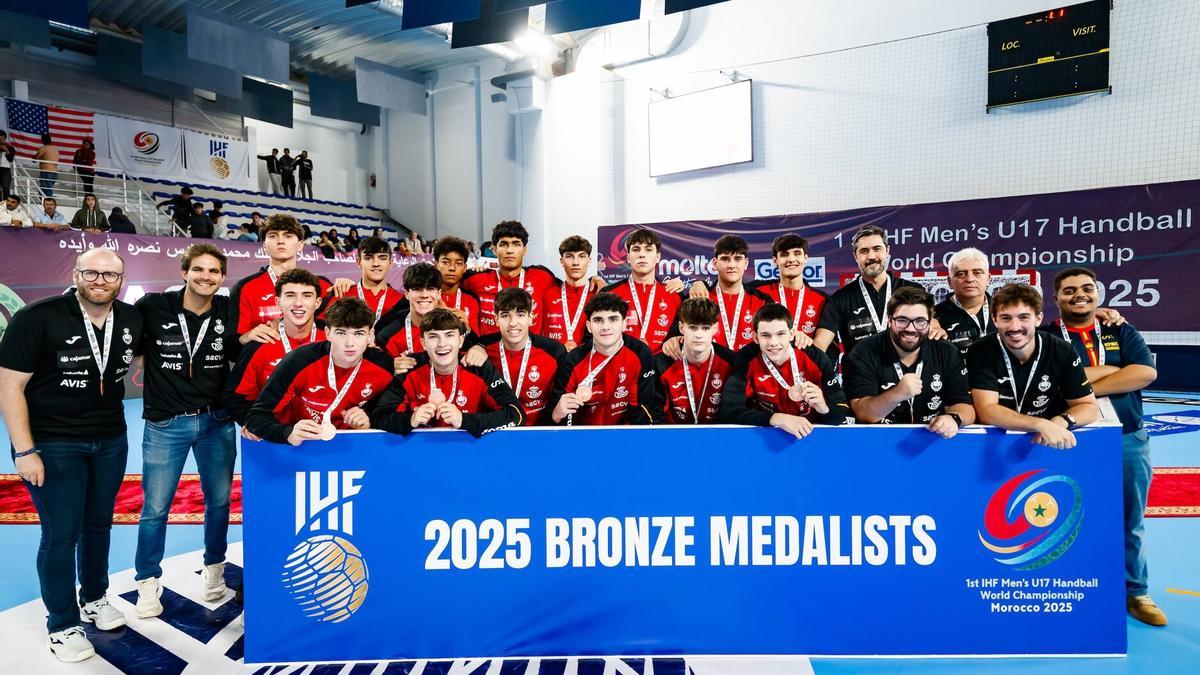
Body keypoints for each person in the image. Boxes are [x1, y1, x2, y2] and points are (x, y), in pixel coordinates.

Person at [0, 248, 141, 662]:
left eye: (110, 275)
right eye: (92, 273)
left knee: (98, 526)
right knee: (61, 534)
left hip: (111, 440)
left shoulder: (131, 318)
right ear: (76, 274)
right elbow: (10, 389)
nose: (100, 281)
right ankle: (62, 624)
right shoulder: (37, 318)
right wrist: (24, 450)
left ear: (121, 279)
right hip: (53, 443)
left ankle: (94, 598)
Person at [1039, 267, 1164, 626]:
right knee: (1062, 517)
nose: (1079, 295)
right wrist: (1113, 369)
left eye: (1087, 288)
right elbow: (1054, 382)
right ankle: (1067, 588)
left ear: (1098, 293)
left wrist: (1082, 387)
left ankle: (1136, 592)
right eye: (1069, 290)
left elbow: (1145, 372)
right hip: (1070, 438)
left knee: (1129, 518)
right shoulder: (1048, 336)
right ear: (1056, 297)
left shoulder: (1120, 329)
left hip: (1126, 437)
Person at [133, 243, 236, 620]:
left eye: (213, 272)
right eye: (199, 270)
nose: (206, 277)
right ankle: (146, 582)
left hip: (216, 423)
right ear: (184, 272)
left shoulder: (229, 310)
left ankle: (214, 571)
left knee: (220, 503)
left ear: (222, 278)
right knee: (155, 508)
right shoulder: (152, 307)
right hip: (165, 423)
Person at [968, 283, 1099, 450]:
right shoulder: (980, 351)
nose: (1015, 327)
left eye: (1024, 317)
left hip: (1047, 441)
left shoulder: (1061, 350)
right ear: (995, 320)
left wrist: (1062, 421)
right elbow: (987, 411)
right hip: (995, 440)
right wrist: (1040, 424)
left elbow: (1089, 407)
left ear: (1038, 318)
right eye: (1006, 318)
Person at [246, 298, 395, 444]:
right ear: (328, 333)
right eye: (341, 333)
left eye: (358, 334)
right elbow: (256, 418)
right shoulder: (299, 360)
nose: (350, 343)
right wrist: (287, 433)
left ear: (370, 335)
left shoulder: (384, 366)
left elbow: (388, 415)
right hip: (301, 448)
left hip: (350, 447)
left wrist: (368, 420)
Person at [842, 286, 975, 435]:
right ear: (889, 320)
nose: (911, 329)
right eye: (902, 320)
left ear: (930, 322)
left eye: (920, 321)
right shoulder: (863, 352)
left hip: (931, 439)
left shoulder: (946, 351)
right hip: (878, 441)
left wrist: (953, 418)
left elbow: (966, 407)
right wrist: (897, 393)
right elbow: (863, 413)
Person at [371, 308, 523, 436]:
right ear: (423, 343)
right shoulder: (410, 368)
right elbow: (379, 416)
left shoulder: (479, 368)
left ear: (461, 341)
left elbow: (516, 414)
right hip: (419, 456)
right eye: (433, 337)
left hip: (470, 456)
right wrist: (410, 420)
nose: (442, 344)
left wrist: (464, 421)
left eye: (449, 335)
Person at [720, 303, 849, 438]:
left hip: (811, 437)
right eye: (765, 335)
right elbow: (729, 411)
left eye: (781, 334)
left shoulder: (815, 358)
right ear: (755, 338)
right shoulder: (746, 358)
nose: (773, 342)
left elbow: (842, 413)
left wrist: (825, 409)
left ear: (792, 334)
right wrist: (777, 419)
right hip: (765, 438)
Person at [814, 226, 944, 356]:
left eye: (877, 249)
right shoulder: (840, 299)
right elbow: (820, 345)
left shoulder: (914, 290)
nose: (871, 256)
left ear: (887, 251)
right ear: (855, 256)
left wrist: (936, 329)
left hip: (906, 372)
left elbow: (932, 325)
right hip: (860, 374)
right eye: (864, 251)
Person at [224, 268, 326, 429]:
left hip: (325, 437)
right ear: (277, 301)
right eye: (290, 295)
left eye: (307, 295)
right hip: (273, 439)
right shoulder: (259, 345)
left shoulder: (333, 341)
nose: (298, 303)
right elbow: (234, 396)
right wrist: (250, 422)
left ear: (318, 302)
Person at [550, 293, 659, 426]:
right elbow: (556, 417)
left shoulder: (640, 353)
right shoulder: (573, 361)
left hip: (625, 437)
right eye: (598, 320)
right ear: (589, 326)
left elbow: (643, 409)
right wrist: (556, 413)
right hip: (582, 438)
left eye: (613, 319)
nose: (605, 327)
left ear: (624, 324)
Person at [663, 235, 771, 357]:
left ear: (746, 263)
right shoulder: (697, 298)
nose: (731, 265)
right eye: (725, 259)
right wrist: (673, 339)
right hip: (709, 371)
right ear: (715, 263)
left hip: (749, 370)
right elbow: (676, 331)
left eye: (737, 259)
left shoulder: (762, 300)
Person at [230, 214, 333, 341]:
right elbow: (232, 346)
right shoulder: (245, 288)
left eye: (288, 236)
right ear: (264, 245)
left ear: (300, 245)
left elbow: (340, 332)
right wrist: (247, 337)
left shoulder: (323, 286)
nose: (280, 241)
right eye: (273, 236)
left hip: (314, 360)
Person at [477, 288, 566, 425]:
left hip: (539, 433)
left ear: (530, 318)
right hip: (496, 433)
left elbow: (557, 400)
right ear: (496, 320)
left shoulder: (554, 352)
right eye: (505, 316)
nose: (513, 323)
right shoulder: (483, 353)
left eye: (520, 315)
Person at [461, 221, 563, 335]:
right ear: (494, 250)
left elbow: (570, 289)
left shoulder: (542, 276)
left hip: (530, 351)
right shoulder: (477, 279)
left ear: (524, 250)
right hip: (490, 351)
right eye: (503, 244)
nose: (509, 250)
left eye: (516, 244)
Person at [655, 298, 737, 424]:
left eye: (705, 328)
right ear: (681, 328)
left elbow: (736, 409)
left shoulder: (731, 362)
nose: (699, 335)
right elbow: (656, 414)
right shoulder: (661, 363)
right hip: (674, 436)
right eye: (693, 327)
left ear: (715, 328)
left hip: (718, 435)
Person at [601, 228, 683, 354]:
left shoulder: (673, 294)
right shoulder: (609, 294)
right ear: (628, 257)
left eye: (648, 249)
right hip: (621, 364)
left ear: (658, 257)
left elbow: (681, 334)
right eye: (636, 249)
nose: (642, 254)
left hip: (661, 366)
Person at [747, 233, 828, 343]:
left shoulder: (822, 299)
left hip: (804, 359)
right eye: (784, 254)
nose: (791, 259)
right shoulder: (758, 292)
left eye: (797, 253)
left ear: (805, 258)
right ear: (774, 260)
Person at [324, 236, 405, 330]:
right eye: (368, 258)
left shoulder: (401, 301)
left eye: (382, 258)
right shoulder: (341, 294)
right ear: (358, 262)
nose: (376, 263)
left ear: (390, 263)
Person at [376, 263, 443, 359]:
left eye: (430, 289)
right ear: (407, 294)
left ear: (439, 294)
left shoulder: (454, 327)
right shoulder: (387, 336)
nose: (424, 295)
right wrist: (393, 368)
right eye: (417, 289)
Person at [541, 236, 594, 350]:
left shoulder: (598, 294)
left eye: (582, 256)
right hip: (555, 362)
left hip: (588, 362)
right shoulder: (548, 293)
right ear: (561, 261)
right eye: (569, 256)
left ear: (589, 261)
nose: (575, 262)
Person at [434, 236, 482, 334]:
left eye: (459, 263)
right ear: (436, 265)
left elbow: (475, 342)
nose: (452, 268)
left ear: (465, 268)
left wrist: (466, 328)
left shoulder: (472, 300)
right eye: (445, 262)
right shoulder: (427, 298)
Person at [0, 129, 15, 200]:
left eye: (1, 139)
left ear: (4, 138)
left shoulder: (10, 148)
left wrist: (6, 150)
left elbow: (11, 159)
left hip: (5, 169)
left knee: (5, 186)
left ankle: (6, 202)